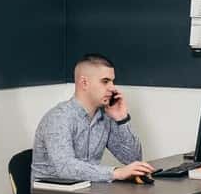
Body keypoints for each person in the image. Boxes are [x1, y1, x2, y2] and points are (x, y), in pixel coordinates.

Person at [32, 53, 154, 182]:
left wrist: (121, 119)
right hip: (52, 193)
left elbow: (133, 159)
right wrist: (115, 173)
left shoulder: (105, 117)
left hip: (88, 190)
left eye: (112, 81)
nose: (112, 88)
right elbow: (65, 168)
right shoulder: (59, 118)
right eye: (105, 81)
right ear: (84, 83)